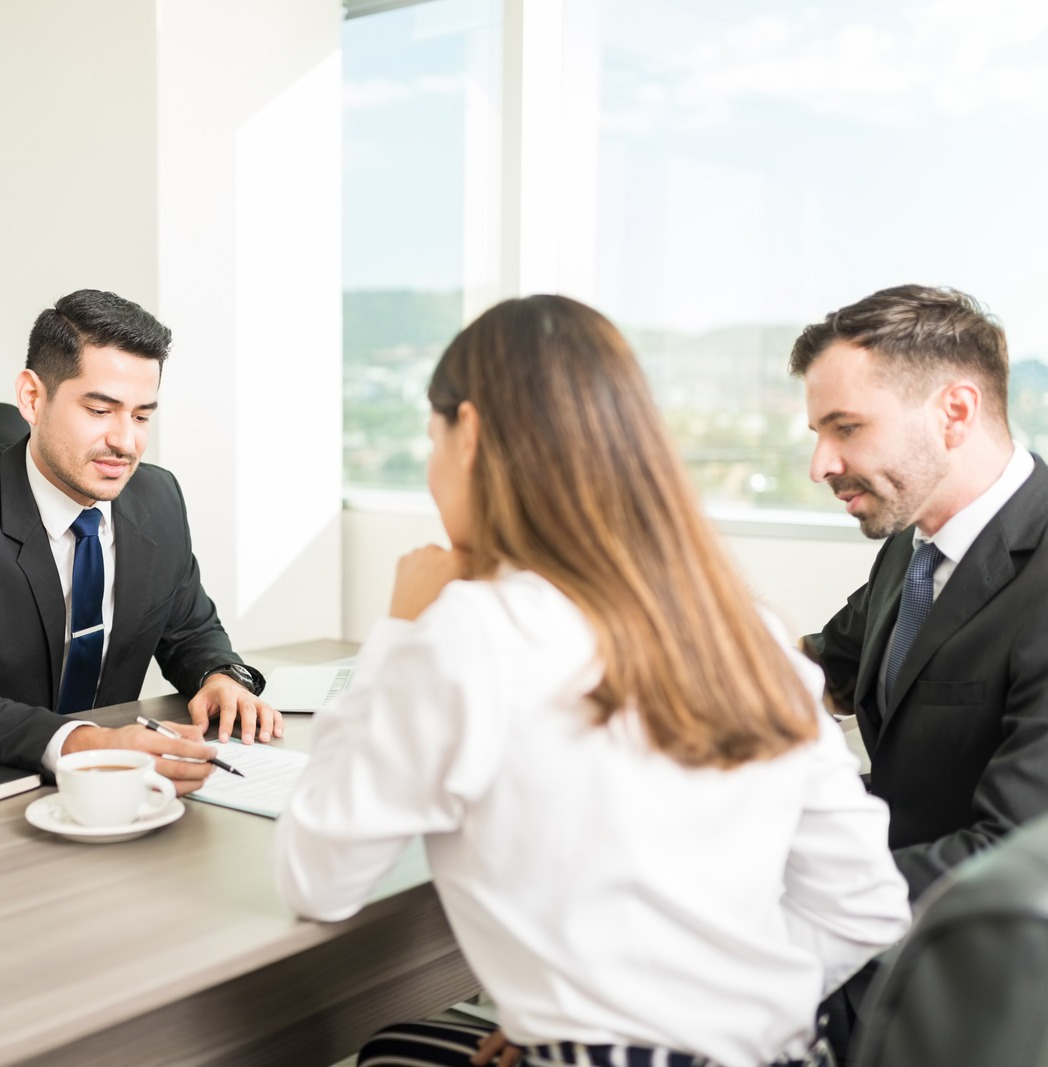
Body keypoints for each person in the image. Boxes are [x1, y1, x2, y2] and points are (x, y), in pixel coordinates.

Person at [272, 295, 910, 1067]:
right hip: (783, 1053)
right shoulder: (750, 635)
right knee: (406, 1042)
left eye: (430, 436)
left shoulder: (474, 631)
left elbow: (317, 878)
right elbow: (867, 906)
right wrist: (677, 1019)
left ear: (468, 432)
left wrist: (398, 632)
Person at [791, 284, 1048, 1058]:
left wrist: (776, 893)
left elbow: (1006, 852)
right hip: (868, 957)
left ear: (956, 412)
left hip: (981, 1003)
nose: (820, 464)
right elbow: (820, 664)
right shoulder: (914, 544)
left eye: (847, 428)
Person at [0, 289, 281, 787]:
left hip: (123, 793)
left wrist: (222, 676)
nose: (126, 442)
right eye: (100, 410)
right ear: (33, 397)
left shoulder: (157, 497)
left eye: (141, 416)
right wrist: (94, 746)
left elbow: (191, 631)